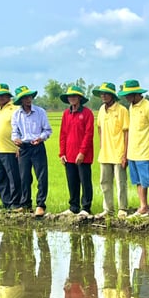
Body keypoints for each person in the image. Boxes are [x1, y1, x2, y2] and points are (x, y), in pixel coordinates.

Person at [118, 80, 149, 217]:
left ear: (136, 94)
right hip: (132, 151)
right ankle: (143, 207)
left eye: (129, 94)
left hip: (144, 151)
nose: (126, 97)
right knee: (138, 181)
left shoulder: (148, 107)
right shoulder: (131, 107)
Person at [11, 85, 52, 217]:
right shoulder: (16, 115)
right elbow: (14, 132)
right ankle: (25, 204)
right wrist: (16, 139)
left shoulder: (40, 112)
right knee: (24, 177)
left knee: (41, 176)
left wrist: (41, 138)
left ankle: (40, 205)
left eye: (29, 97)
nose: (28, 99)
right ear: (21, 100)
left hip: (37, 146)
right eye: (24, 98)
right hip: (24, 147)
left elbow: (47, 130)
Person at [94, 82, 129, 218]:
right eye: (102, 94)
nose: (103, 96)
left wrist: (125, 154)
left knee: (121, 182)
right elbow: (99, 128)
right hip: (105, 154)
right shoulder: (102, 110)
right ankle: (108, 209)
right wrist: (102, 145)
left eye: (106, 93)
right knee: (105, 182)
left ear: (112, 95)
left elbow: (126, 133)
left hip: (119, 152)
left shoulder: (122, 110)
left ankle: (122, 208)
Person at [58, 85, 94, 216]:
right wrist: (62, 153)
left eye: (74, 96)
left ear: (79, 98)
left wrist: (82, 152)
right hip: (69, 154)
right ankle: (73, 207)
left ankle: (86, 207)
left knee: (85, 181)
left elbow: (88, 134)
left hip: (83, 155)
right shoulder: (66, 114)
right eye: (69, 96)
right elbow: (63, 134)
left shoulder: (87, 113)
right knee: (72, 181)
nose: (71, 98)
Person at [0, 83, 22, 210]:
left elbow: (20, 130)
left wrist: (18, 148)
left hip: (10, 149)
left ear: (8, 95)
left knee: (13, 178)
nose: (1, 97)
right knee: (0, 179)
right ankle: (6, 203)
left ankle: (15, 203)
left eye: (3, 95)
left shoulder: (15, 109)